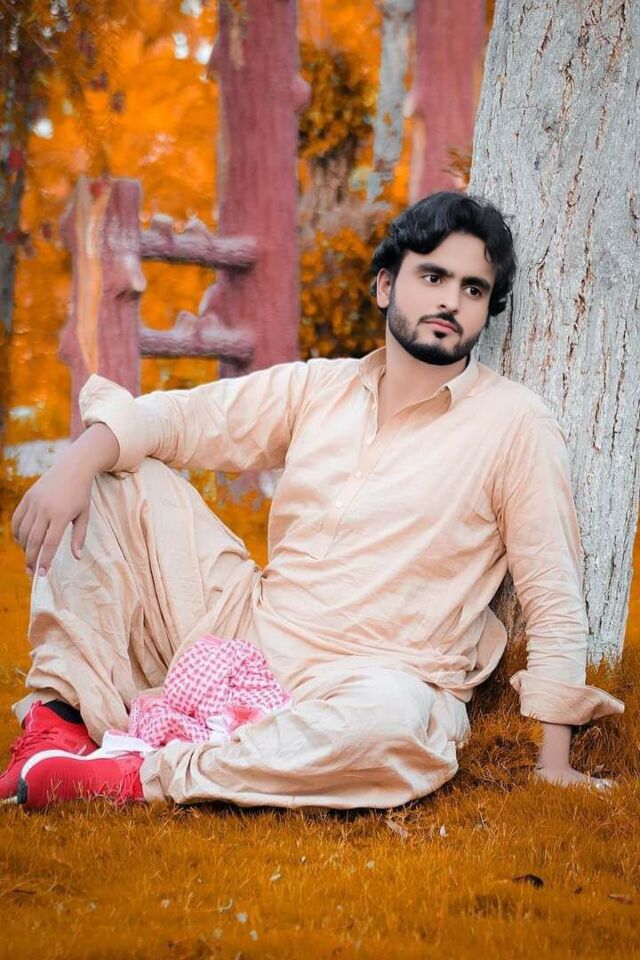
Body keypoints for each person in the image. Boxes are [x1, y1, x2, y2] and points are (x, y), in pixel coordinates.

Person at [3, 191, 624, 811]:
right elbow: (187, 419)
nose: (451, 301)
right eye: (433, 277)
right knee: (114, 478)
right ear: (385, 286)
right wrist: (76, 461)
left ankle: (133, 777)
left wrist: (553, 761)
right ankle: (56, 726)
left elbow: (552, 593)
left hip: (376, 677)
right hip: (250, 631)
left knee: (394, 726)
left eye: (473, 289)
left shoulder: (515, 423)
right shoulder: (320, 387)